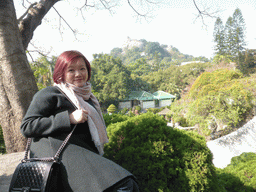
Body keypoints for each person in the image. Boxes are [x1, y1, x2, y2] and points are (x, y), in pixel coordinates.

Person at [20, 50, 139, 192]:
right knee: (124, 185)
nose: (78, 74)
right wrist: (68, 118)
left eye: (82, 68)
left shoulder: (89, 98)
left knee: (128, 185)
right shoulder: (50, 93)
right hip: (57, 155)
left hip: (82, 155)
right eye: (71, 70)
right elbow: (27, 126)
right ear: (61, 73)